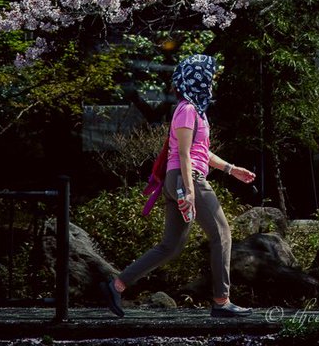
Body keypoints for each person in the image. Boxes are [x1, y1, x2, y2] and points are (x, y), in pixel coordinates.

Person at [101, 53, 257, 318]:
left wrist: (231, 170)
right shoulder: (186, 110)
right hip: (188, 179)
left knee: (170, 246)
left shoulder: (196, 111)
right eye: (208, 76)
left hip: (181, 180)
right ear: (198, 79)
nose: (211, 81)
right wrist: (191, 191)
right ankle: (222, 301)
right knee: (222, 235)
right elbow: (184, 155)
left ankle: (117, 285)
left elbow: (202, 152)